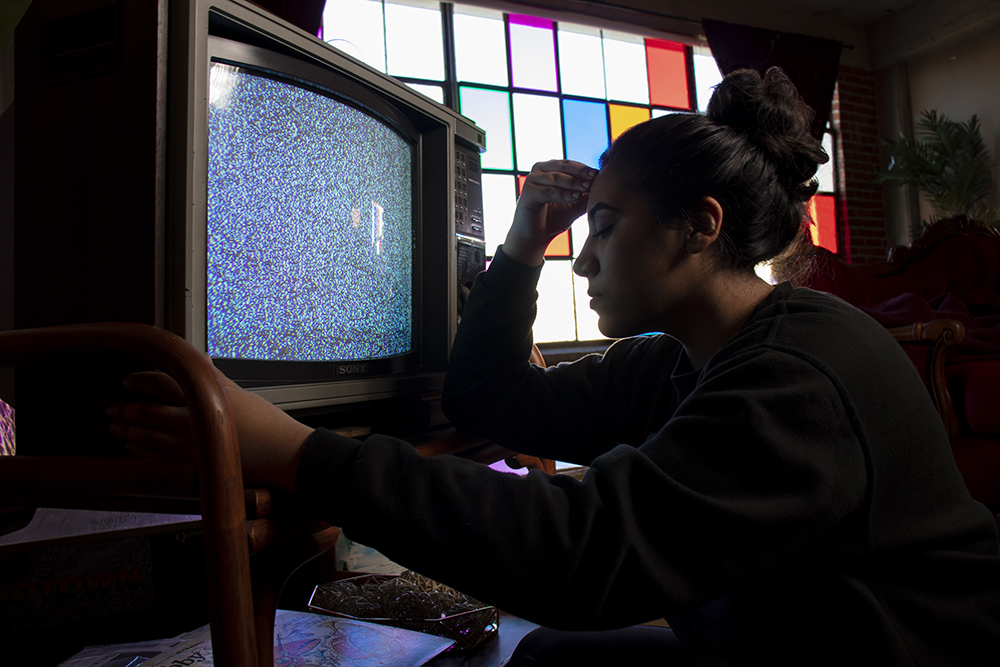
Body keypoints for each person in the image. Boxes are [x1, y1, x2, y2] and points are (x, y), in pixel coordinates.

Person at [110, 68, 1000, 665]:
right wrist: (523, 245)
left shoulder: (807, 368)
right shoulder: (673, 362)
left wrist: (296, 451)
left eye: (605, 228)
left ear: (701, 224)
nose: (587, 259)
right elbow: (495, 397)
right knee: (541, 656)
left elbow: (583, 554)